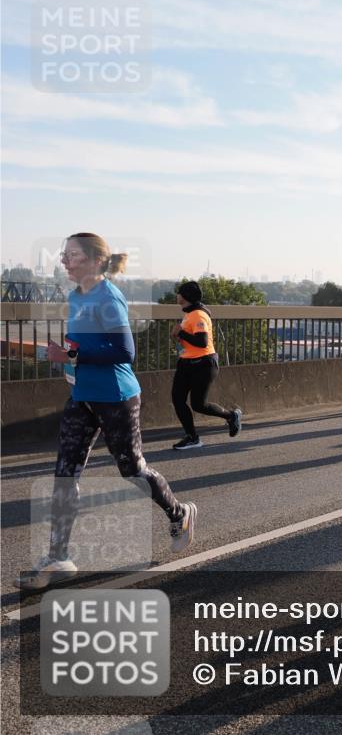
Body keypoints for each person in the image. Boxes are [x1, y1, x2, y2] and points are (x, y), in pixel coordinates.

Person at [15, 233, 197, 590]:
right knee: (65, 475)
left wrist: (71, 356)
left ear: (95, 262)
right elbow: (83, 345)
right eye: (63, 255)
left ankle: (179, 513)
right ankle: (58, 556)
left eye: (73, 255)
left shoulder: (109, 297)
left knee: (133, 469)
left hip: (116, 398)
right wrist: (66, 353)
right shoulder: (74, 296)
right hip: (82, 397)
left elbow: (124, 352)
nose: (65, 261)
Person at [170, 281, 242, 450]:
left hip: (203, 364)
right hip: (187, 362)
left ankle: (231, 416)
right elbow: (191, 339)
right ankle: (192, 437)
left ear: (185, 296)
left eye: (179, 292)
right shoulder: (189, 313)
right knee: (178, 399)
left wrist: (180, 332)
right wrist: (179, 335)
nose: (177, 295)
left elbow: (202, 342)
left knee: (198, 405)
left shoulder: (198, 315)